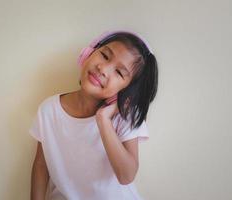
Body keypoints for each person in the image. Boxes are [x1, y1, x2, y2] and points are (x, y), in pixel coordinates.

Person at [29, 30, 158, 200]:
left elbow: (126, 175)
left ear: (126, 91)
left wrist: (103, 120)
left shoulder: (124, 117)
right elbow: (41, 165)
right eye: (105, 55)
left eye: (119, 73)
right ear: (87, 54)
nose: (103, 69)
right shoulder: (48, 110)